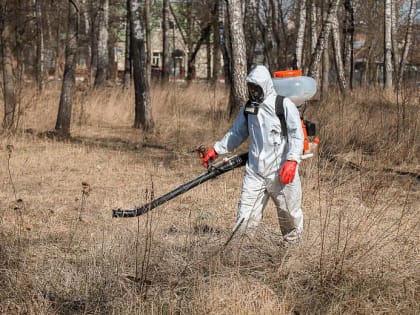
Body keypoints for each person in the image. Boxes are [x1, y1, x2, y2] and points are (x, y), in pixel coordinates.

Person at [202, 65, 304, 244]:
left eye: (257, 88)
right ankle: (240, 257)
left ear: (265, 86)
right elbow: (237, 133)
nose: (254, 92)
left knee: (290, 218)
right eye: (251, 88)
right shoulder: (249, 108)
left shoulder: (283, 105)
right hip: (255, 172)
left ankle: (292, 256)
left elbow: (297, 135)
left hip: (281, 173)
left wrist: (292, 161)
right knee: (244, 218)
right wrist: (217, 149)